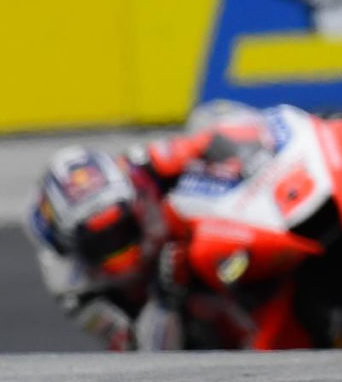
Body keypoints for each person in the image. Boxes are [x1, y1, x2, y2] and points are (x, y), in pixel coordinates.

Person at [24, 106, 278, 350]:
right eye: (101, 241)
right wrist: (165, 298)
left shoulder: (139, 168)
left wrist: (246, 153)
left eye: (122, 228)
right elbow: (136, 353)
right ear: (72, 245)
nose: (118, 245)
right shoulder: (72, 285)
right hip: (166, 317)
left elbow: (211, 138)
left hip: (205, 242)